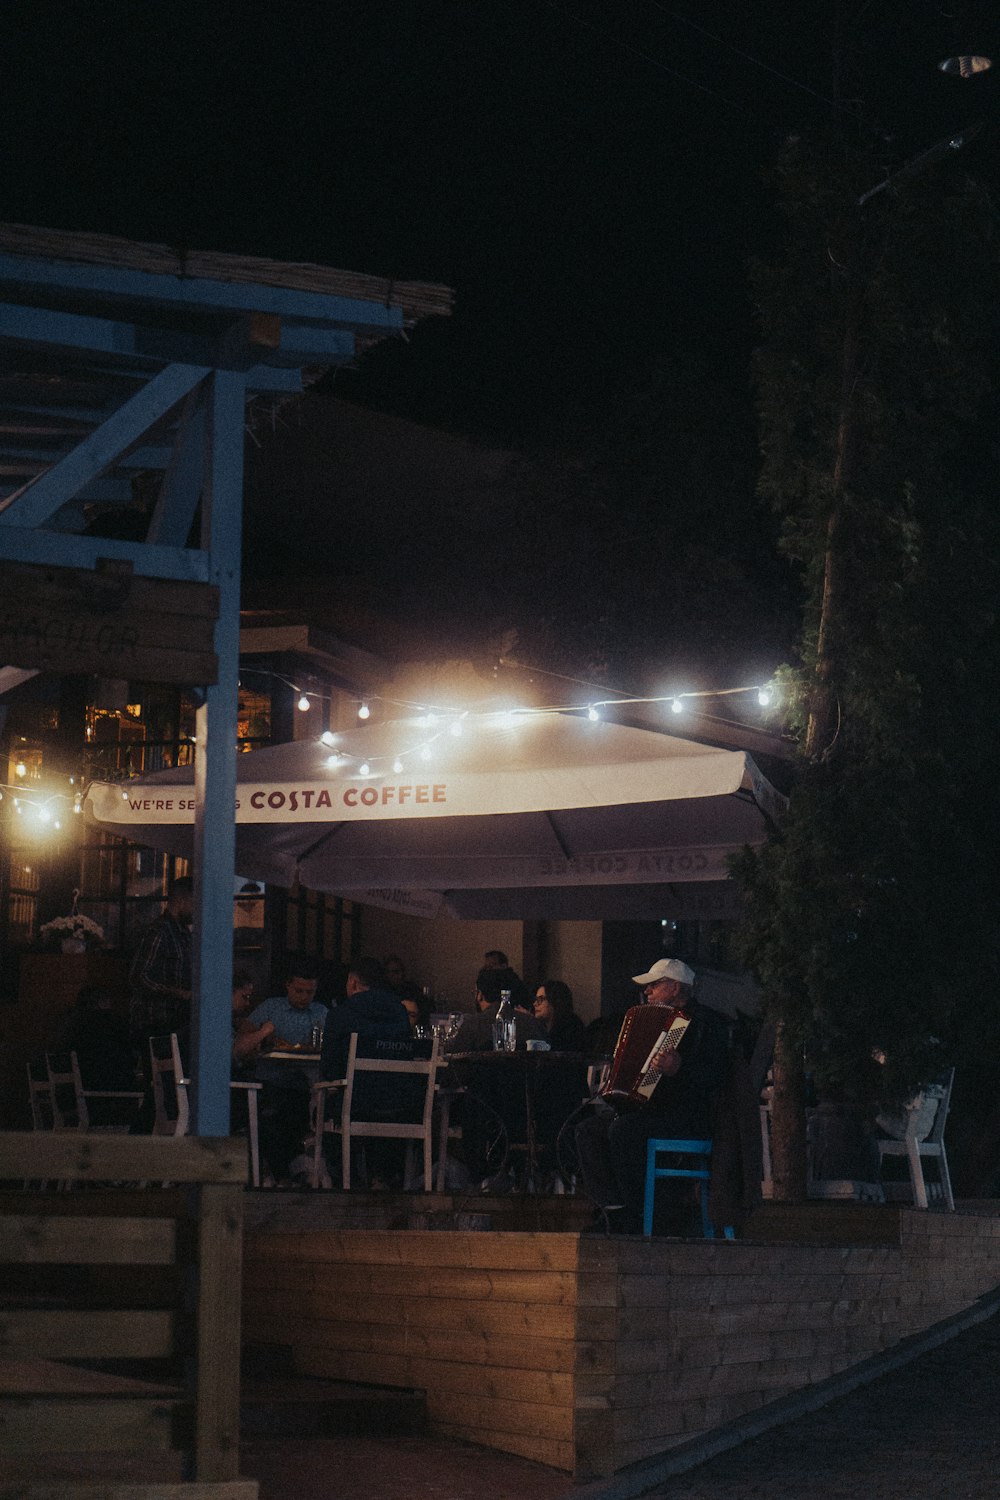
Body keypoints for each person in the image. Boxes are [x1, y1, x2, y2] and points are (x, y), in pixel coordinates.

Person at [575, 958, 729, 1233]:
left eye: (654, 985)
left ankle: (640, 1214)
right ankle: (614, 1209)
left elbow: (715, 1078)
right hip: (651, 1112)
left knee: (624, 1130)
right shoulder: (649, 1019)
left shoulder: (708, 1023)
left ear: (676, 987)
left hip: (688, 1117)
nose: (647, 992)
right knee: (588, 1130)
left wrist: (679, 1068)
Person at [319, 956, 416, 1186]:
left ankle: (347, 1179)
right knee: (377, 1098)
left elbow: (329, 1070)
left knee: (326, 1107)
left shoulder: (341, 1013)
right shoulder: (401, 1012)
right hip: (398, 1101)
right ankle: (382, 1176)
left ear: (353, 982)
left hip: (356, 1101)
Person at [245, 958, 327, 1185]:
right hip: (271, 1080)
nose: (304, 997)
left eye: (309, 992)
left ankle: (291, 1171)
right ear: (288, 986)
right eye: (299, 991)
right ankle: (285, 1173)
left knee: (303, 1107)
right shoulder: (272, 1007)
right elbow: (245, 1032)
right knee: (277, 1111)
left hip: (306, 1083)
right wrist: (263, 1034)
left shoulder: (321, 1012)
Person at [128, 876, 194, 1061]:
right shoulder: (159, 931)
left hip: (177, 1023)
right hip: (156, 1022)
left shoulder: (184, 935)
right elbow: (138, 977)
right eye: (195, 902)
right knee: (164, 1081)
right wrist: (181, 993)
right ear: (182, 900)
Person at [533, 980, 586, 1052]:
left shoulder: (571, 1027)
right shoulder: (543, 1027)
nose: (535, 1004)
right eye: (536, 999)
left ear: (555, 1000)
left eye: (540, 999)